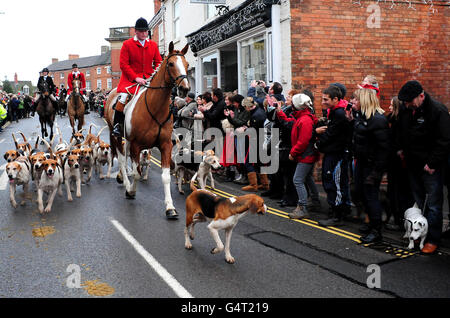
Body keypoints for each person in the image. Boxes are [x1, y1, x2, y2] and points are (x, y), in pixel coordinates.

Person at [396, 80, 450, 254]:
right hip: (413, 163)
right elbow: (402, 131)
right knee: (419, 202)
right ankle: (419, 233)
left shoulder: (437, 111)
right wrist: (401, 149)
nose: (406, 104)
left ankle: (433, 239)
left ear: (421, 96)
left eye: (409, 101)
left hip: (430, 166)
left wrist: (432, 163)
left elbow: (444, 140)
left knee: (434, 203)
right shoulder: (407, 109)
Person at [349, 88, 390, 243]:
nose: (353, 101)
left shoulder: (378, 120)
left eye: (356, 99)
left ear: (365, 101)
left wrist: (376, 172)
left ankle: (376, 230)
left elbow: (384, 149)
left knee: (371, 197)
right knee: (361, 193)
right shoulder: (361, 116)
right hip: (361, 163)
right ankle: (371, 223)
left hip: (372, 166)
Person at [112, 17, 162, 137]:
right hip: (130, 80)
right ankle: (117, 125)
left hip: (149, 79)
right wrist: (136, 78)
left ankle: (165, 125)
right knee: (123, 97)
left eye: (146, 31)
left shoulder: (153, 45)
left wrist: (155, 76)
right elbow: (123, 65)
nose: (145, 33)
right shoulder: (127, 44)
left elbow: (159, 63)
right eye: (141, 31)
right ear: (136, 31)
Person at [315, 85, 352, 227]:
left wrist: (317, 143)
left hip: (337, 155)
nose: (323, 102)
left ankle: (338, 216)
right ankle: (337, 211)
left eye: (326, 99)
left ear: (335, 99)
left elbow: (331, 134)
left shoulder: (339, 114)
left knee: (334, 184)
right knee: (332, 182)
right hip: (332, 153)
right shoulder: (335, 111)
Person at [279, 93, 320, 219]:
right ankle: (315, 200)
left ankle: (302, 207)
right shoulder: (303, 117)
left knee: (297, 179)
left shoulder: (305, 120)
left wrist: (293, 153)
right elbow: (292, 123)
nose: (291, 106)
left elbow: (303, 141)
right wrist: (280, 114)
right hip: (306, 155)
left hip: (305, 155)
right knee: (307, 177)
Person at [385, 96, 414, 231]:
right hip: (393, 162)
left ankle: (401, 220)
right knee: (393, 191)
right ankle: (397, 218)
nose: (389, 107)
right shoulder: (391, 119)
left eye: (392, 105)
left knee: (401, 192)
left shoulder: (401, 121)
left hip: (400, 164)